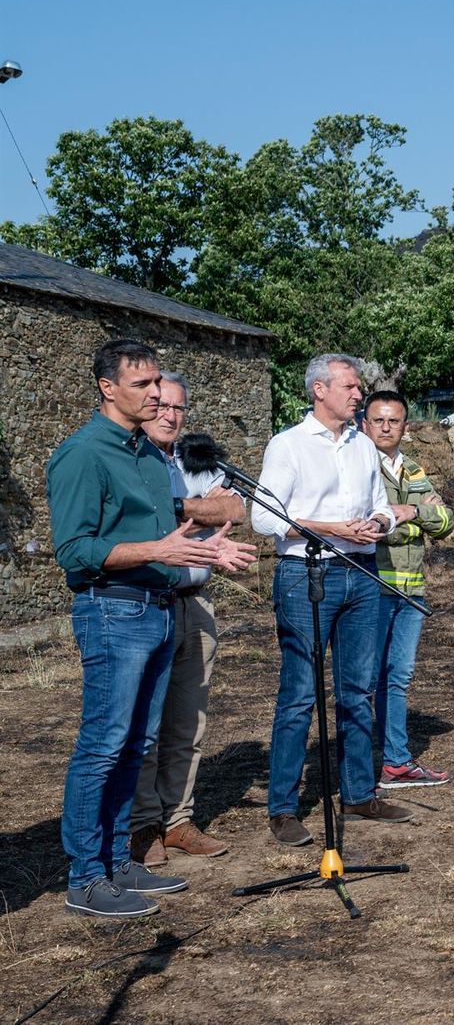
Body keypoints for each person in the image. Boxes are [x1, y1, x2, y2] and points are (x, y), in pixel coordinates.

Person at [48, 340, 254, 919]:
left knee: (137, 744)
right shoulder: (82, 454)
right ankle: (86, 876)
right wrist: (156, 548)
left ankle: (118, 862)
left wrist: (206, 550)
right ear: (107, 388)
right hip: (113, 610)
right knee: (104, 745)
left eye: (157, 382)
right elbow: (75, 550)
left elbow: (171, 534)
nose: (156, 394)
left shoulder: (145, 453)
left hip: (159, 607)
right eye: (141, 385)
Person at [252, 354, 412, 847]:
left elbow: (382, 507)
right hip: (307, 572)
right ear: (319, 390)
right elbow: (263, 517)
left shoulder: (363, 446)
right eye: (349, 385)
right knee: (300, 694)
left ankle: (360, 794)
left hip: (363, 574)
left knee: (358, 690)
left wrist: (379, 524)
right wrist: (327, 527)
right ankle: (284, 808)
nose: (358, 394)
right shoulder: (289, 445)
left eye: (358, 386)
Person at [130, 372, 252, 868]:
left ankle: (179, 819)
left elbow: (235, 508)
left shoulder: (190, 461)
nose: (170, 416)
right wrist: (197, 512)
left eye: (179, 408)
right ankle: (142, 826)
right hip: (144, 602)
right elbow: (141, 523)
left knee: (189, 720)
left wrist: (182, 506)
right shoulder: (129, 460)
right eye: (161, 406)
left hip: (195, 602)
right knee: (145, 723)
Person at [363, 391, 454, 789]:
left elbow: (447, 522)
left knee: (397, 677)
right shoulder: (360, 468)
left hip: (410, 591)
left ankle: (396, 762)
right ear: (364, 424)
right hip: (372, 586)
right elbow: (367, 527)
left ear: (405, 426)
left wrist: (412, 512)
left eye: (394, 421)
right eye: (378, 420)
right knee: (365, 680)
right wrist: (416, 519)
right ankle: (358, 767)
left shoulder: (414, 470)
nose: (386, 428)